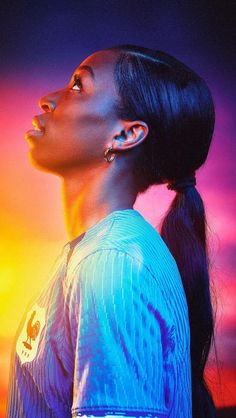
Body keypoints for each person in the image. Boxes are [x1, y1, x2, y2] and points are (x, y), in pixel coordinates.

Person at [6, 44, 216, 418]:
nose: (46, 99)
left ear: (125, 135)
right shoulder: (95, 253)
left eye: (77, 87)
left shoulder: (112, 264)